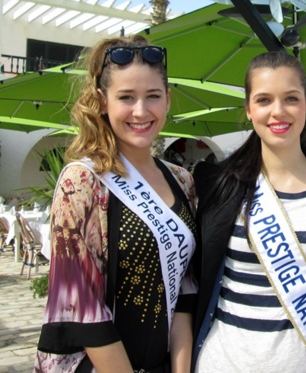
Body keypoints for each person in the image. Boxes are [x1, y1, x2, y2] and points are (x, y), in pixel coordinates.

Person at [192, 51, 306, 373]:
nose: (278, 111)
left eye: (290, 98)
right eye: (263, 100)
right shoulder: (215, 184)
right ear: (248, 109)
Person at [35, 35, 198, 372]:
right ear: (102, 100)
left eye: (153, 96)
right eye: (126, 97)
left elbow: (185, 288)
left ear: (167, 100)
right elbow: (81, 306)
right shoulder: (82, 182)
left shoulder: (182, 180)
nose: (141, 111)